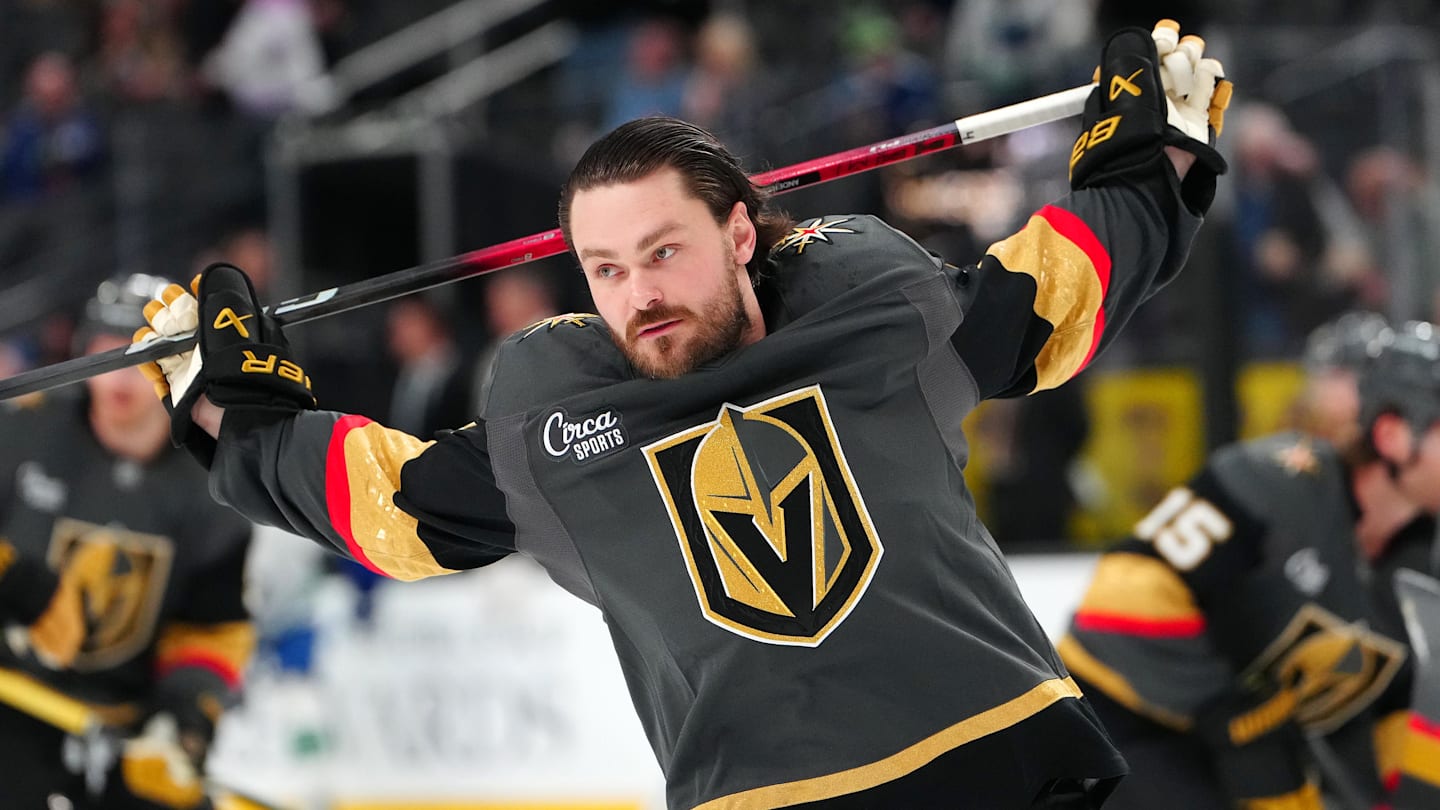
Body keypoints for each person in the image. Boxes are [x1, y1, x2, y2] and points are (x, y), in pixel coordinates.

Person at [136, 21, 1229, 809]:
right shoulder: (558, 430)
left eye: (664, 251)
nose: (638, 292)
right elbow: (391, 506)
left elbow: (1054, 293)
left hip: (1004, 761)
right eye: (605, 269)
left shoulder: (876, 320)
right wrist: (229, 405)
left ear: (742, 236)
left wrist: (1153, 151)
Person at [1057, 320, 1440, 809]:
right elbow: (1119, 596)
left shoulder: (1420, 556)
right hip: (1118, 718)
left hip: (1239, 752)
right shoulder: (1275, 483)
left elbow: (1390, 703)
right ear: (1392, 435)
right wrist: (1230, 708)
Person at [0, 275, 257, 809]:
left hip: (122, 726)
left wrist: (182, 721)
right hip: (12, 701)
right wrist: (18, 584)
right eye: (105, 345)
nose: (119, 366)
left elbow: (211, 628)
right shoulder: (23, 432)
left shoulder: (213, 481)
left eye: (143, 349)